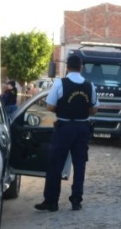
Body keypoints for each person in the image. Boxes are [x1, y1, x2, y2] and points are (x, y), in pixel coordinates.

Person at [35, 55, 98, 212]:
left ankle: (51, 201)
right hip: (82, 128)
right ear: (81, 67)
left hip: (64, 128)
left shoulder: (60, 83)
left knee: (55, 164)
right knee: (79, 165)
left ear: (67, 67)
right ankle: (76, 200)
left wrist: (64, 109)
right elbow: (94, 109)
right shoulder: (90, 85)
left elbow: (50, 106)